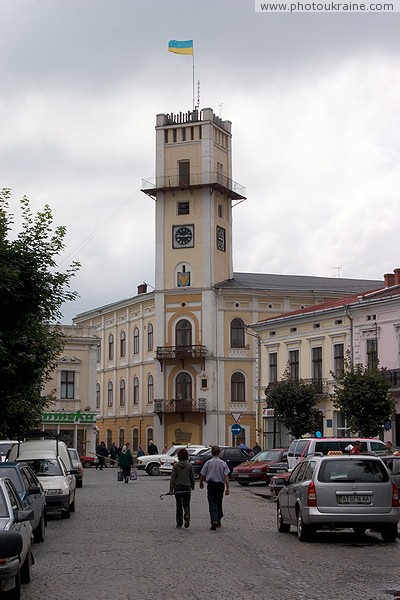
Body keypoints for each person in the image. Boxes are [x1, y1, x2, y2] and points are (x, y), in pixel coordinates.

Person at [199, 445, 230, 531]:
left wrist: (201, 482)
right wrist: (227, 488)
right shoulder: (223, 463)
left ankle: (214, 520)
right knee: (219, 502)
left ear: (212, 453)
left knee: (212, 502)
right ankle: (219, 518)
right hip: (220, 485)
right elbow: (226, 476)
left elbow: (203, 474)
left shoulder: (208, 463)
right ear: (219, 453)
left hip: (211, 485)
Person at [169, 448, 195, 528]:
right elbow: (192, 477)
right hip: (187, 487)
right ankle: (187, 515)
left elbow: (173, 478)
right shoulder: (190, 466)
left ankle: (179, 522)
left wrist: (171, 489)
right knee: (186, 504)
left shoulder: (176, 466)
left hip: (178, 487)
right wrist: (192, 486)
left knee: (179, 505)